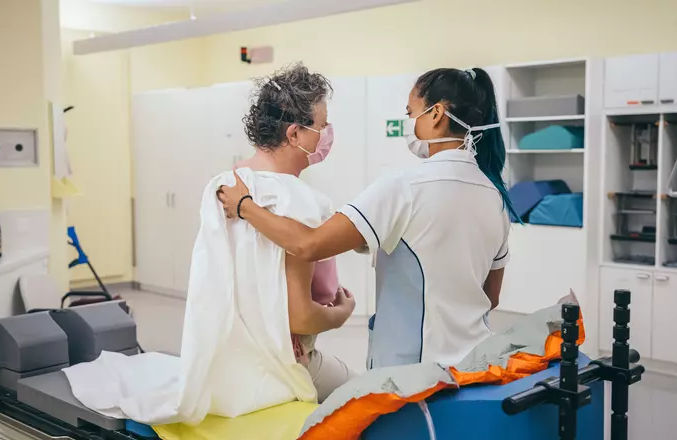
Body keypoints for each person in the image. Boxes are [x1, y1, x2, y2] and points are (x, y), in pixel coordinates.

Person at [218, 67, 517, 369]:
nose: (408, 121)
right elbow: (490, 297)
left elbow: (308, 245)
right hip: (475, 366)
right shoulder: (496, 196)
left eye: (410, 112)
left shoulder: (405, 187)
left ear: (436, 113)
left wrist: (245, 206)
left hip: (415, 376)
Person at [233, 62, 356, 401]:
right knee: (372, 401)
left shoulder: (228, 183)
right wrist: (341, 314)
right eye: (322, 125)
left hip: (235, 358)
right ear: (294, 134)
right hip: (288, 363)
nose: (327, 132)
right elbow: (299, 316)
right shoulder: (298, 200)